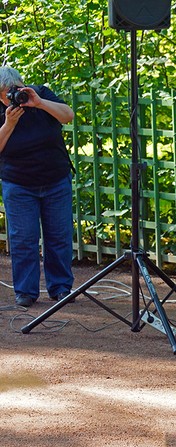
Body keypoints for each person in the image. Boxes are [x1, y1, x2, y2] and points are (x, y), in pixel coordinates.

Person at [0, 66, 75, 308]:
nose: (11, 97)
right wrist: (8, 123)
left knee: (59, 236)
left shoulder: (39, 93)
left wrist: (40, 102)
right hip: (18, 184)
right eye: (4, 94)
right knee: (23, 239)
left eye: (14, 91)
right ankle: (25, 292)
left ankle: (61, 288)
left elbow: (67, 116)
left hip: (55, 179)